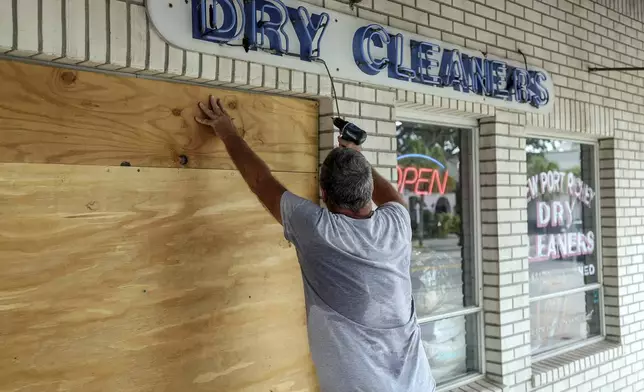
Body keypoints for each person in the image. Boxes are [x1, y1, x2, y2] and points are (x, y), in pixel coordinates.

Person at [195, 96, 435, 392]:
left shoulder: (320, 231)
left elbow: (261, 182)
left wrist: (227, 131)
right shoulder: (397, 224)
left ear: (323, 192)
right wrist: (355, 157)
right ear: (368, 190)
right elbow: (393, 199)